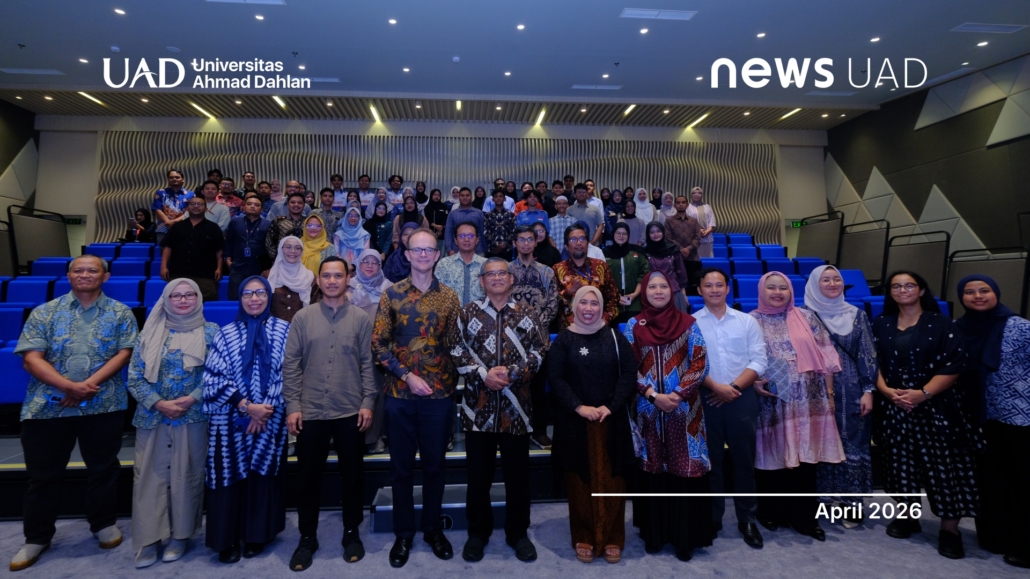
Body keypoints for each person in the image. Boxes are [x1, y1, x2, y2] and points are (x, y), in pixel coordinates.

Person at [9, 255, 139, 572]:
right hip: (47, 407)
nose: (84, 274)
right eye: (78, 270)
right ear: (68, 276)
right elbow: (31, 359)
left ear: (105, 276)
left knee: (103, 469)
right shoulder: (45, 312)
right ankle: (37, 537)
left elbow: (125, 353)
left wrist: (85, 387)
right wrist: (68, 386)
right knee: (42, 477)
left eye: (92, 270)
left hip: (103, 405)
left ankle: (103, 523)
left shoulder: (121, 312)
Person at [448, 258, 549, 563]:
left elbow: (540, 350)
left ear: (511, 278)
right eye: (489, 274)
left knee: (518, 476)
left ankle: (518, 533)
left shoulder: (527, 312)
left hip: (517, 409)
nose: (496, 278)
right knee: (478, 476)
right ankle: (478, 533)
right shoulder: (467, 313)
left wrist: (514, 373)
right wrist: (483, 374)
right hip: (478, 409)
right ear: (481, 281)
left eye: (501, 273)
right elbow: (456, 350)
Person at [872, 270, 978, 559]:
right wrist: (887, 391)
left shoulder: (941, 323)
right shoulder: (881, 323)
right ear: (890, 292)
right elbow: (871, 362)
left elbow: (955, 364)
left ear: (921, 290)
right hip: (895, 405)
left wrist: (923, 393)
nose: (903, 290)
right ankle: (908, 516)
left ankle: (950, 530)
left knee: (943, 468)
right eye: (896, 286)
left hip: (936, 406)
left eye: (910, 285)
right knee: (899, 465)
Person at [371, 229, 461, 568]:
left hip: (439, 396)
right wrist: (407, 375)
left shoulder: (449, 297)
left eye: (429, 250)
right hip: (400, 394)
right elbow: (378, 345)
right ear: (407, 254)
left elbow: (456, 345)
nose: (423, 255)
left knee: (436, 467)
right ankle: (404, 533)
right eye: (417, 250)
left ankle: (432, 529)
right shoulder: (391, 294)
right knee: (401, 469)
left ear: (437, 255)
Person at [283, 257, 376, 571]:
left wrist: (368, 401)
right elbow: (291, 365)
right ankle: (307, 537)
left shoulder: (361, 318)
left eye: (338, 275)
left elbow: (367, 364)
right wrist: (293, 406)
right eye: (327, 276)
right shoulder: (302, 317)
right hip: (310, 411)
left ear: (348, 279)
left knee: (353, 477)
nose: (333, 281)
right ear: (319, 280)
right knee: (308, 479)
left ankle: (352, 533)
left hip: (350, 410)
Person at [126, 279, 218, 568]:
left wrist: (191, 399)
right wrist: (159, 403)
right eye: (176, 295)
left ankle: (181, 535)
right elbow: (134, 378)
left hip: (194, 415)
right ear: (166, 300)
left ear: (198, 298)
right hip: (152, 416)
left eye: (189, 294)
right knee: (148, 478)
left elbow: (217, 374)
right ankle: (149, 538)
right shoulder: (149, 333)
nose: (183, 300)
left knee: (186, 476)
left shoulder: (211, 332)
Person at [624, 271, 712, 561]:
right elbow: (628, 367)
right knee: (654, 472)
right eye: (652, 286)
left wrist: (677, 395)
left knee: (683, 471)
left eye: (663, 286)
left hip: (685, 411)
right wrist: (653, 396)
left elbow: (700, 362)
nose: (658, 291)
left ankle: (685, 538)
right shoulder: (633, 326)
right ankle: (655, 534)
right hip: (648, 410)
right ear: (644, 291)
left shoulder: (689, 323)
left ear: (671, 291)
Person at [749, 272, 843, 542]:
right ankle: (771, 511)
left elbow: (827, 355)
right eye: (771, 287)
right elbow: (745, 360)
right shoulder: (752, 320)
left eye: (783, 288)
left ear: (791, 291)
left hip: (809, 400)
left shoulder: (807, 317)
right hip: (772, 402)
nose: (777, 292)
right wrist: (753, 384)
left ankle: (805, 518)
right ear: (761, 290)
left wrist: (829, 394)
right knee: (773, 456)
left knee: (806, 459)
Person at [202, 276, 290, 564]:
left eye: (261, 293)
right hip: (229, 418)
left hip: (270, 417)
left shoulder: (284, 330)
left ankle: (257, 535)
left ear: (269, 297)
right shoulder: (225, 333)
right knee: (228, 475)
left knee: (262, 475)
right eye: (248, 294)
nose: (255, 299)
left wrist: (263, 411)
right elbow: (214, 378)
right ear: (240, 298)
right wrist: (246, 406)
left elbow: (289, 373)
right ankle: (226, 539)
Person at [548, 286, 637, 564]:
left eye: (594, 303)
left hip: (612, 420)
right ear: (574, 306)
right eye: (583, 303)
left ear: (601, 307)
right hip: (575, 422)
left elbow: (629, 374)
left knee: (614, 481)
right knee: (579, 481)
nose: (588, 308)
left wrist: (611, 406)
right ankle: (583, 535)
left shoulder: (615, 336)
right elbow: (556, 378)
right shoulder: (564, 340)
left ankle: (613, 537)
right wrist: (579, 407)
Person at [955, 275, 1030, 568]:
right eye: (970, 292)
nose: (978, 296)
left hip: (1020, 417)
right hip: (978, 416)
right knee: (989, 479)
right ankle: (994, 536)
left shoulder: (1019, 326)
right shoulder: (958, 328)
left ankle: (1025, 545)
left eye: (984, 290)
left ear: (996, 293)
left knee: (1022, 480)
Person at [694, 268, 767, 548]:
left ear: (727, 288)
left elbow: (759, 361)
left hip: (742, 398)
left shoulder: (747, 321)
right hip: (706, 398)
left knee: (743, 462)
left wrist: (733, 388)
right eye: (708, 285)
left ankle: (747, 518)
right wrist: (716, 388)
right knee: (710, 462)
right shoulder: (691, 323)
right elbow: (690, 364)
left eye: (719, 285)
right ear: (699, 290)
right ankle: (713, 517)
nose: (714, 290)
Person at [803, 266, 878, 527]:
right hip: (812, 390)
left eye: (837, 279)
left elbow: (868, 354)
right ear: (815, 284)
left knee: (852, 444)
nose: (832, 283)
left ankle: (851, 504)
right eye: (826, 279)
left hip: (852, 390)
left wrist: (869, 390)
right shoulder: (803, 316)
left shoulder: (856, 314)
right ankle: (822, 500)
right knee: (819, 442)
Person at [510, 226, 559, 448]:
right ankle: (512, 429)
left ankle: (538, 431)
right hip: (511, 339)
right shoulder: (506, 270)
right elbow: (499, 300)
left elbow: (553, 303)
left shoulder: (547, 272)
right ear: (515, 243)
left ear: (536, 242)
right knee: (512, 386)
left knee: (538, 390)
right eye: (521, 239)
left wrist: (534, 326)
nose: (526, 243)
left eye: (530, 239)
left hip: (539, 340)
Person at [347, 249, 394, 454]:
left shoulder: (390, 288)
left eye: (374, 262)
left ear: (380, 266)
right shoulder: (347, 286)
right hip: (350, 350)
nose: (369, 265)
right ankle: (350, 437)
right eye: (364, 261)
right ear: (358, 264)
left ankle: (374, 438)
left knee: (377, 394)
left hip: (379, 351)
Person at [553, 224, 621, 329]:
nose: (578, 243)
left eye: (582, 239)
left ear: (588, 243)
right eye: (573, 239)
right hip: (569, 330)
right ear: (566, 246)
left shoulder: (601, 266)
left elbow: (614, 297)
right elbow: (552, 304)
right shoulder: (557, 269)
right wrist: (568, 291)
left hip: (598, 329)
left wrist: (605, 320)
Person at [160, 196, 224, 302]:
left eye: (200, 204)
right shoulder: (177, 227)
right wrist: (163, 267)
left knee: (206, 304)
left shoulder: (214, 228)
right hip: (178, 274)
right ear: (187, 208)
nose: (196, 206)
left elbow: (219, 250)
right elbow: (167, 248)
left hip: (205, 276)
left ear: (206, 209)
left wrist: (219, 268)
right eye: (192, 204)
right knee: (177, 303)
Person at [225, 194, 271, 300]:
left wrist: (269, 267)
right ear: (244, 207)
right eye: (249, 204)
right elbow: (229, 241)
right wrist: (228, 259)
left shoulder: (268, 224)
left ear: (261, 209)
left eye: (256, 205)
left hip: (259, 266)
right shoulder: (235, 222)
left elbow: (271, 247)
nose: (252, 206)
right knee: (236, 296)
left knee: (259, 296)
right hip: (238, 265)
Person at [603, 223, 649, 324]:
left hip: (635, 303)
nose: (621, 236)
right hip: (612, 303)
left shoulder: (636, 251)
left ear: (628, 235)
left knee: (634, 330)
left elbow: (644, 273)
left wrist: (634, 294)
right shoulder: (605, 253)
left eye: (624, 234)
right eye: (618, 233)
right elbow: (603, 277)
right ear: (613, 234)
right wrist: (615, 296)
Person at [436, 222, 489, 307]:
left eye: (471, 236)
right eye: (462, 236)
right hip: (450, 314)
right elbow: (436, 294)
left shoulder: (487, 265)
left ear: (477, 240)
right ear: (455, 240)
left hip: (480, 314)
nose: (466, 239)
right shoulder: (444, 264)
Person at [642, 222, 690, 312]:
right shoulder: (644, 252)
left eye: (658, 231)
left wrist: (683, 293)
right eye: (652, 232)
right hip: (652, 293)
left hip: (673, 291)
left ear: (663, 232)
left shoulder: (672, 249)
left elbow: (681, 271)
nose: (656, 234)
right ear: (648, 234)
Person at [267, 236, 314, 323]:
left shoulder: (310, 277)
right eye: (288, 247)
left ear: (302, 251)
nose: (293, 251)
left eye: (297, 248)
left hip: (301, 326)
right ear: (281, 249)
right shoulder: (269, 275)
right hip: (274, 327)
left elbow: (315, 307)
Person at [664, 194, 703, 293]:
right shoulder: (669, 221)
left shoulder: (694, 221)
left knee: (692, 286)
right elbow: (668, 238)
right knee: (676, 286)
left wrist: (688, 249)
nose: (681, 204)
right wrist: (681, 249)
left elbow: (698, 238)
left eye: (683, 202)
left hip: (692, 257)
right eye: (678, 203)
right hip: (675, 257)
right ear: (674, 205)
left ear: (687, 205)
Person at [152, 169, 194, 244]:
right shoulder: (161, 192)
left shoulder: (190, 194)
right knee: (164, 250)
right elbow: (156, 209)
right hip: (164, 227)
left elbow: (191, 212)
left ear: (183, 180)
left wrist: (174, 222)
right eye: (171, 177)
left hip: (183, 227)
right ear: (168, 180)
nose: (174, 179)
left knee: (183, 250)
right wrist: (168, 222)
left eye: (177, 177)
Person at [265, 191, 309, 260]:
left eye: (300, 203)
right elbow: (269, 242)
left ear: (304, 206)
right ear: (288, 205)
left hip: (305, 259)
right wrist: (277, 258)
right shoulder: (278, 221)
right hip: (282, 260)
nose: (296, 205)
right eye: (293, 202)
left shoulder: (309, 222)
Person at [444, 187, 487, 255]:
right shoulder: (452, 214)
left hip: (477, 251)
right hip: (456, 251)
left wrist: (485, 249)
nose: (465, 197)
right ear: (459, 197)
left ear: (471, 197)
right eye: (462, 195)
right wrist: (449, 249)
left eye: (467, 195)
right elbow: (448, 232)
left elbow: (482, 232)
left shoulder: (479, 213)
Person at [299, 214, 338, 280]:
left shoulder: (330, 248)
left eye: (317, 226)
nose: (313, 228)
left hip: (322, 284)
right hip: (298, 283)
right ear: (305, 227)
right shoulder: (297, 245)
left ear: (322, 228)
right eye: (309, 225)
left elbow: (333, 270)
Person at [484, 189, 517, 260]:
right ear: (493, 199)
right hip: (492, 250)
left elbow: (514, 231)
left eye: (501, 196)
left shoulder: (510, 215)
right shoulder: (488, 215)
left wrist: (504, 244)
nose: (498, 198)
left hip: (507, 250)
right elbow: (486, 232)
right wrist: (496, 245)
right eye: (496, 196)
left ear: (504, 199)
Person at [685, 187, 717, 258]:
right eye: (694, 193)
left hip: (707, 236)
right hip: (694, 237)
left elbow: (712, 220)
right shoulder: (688, 207)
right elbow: (687, 222)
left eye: (699, 193)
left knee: (708, 258)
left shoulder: (707, 206)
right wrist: (699, 230)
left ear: (702, 195)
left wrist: (708, 231)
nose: (697, 195)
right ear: (691, 195)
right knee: (696, 259)